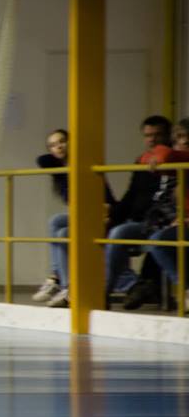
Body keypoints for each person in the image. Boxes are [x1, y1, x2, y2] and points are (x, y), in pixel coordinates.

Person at [32, 129, 116, 308]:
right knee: (55, 221)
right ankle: (59, 280)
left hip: (100, 216)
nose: (58, 147)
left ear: (71, 142)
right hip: (81, 216)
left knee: (63, 233)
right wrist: (61, 156)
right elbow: (42, 160)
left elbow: (107, 199)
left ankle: (68, 288)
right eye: (52, 145)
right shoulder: (61, 170)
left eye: (62, 141)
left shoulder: (85, 164)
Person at [105, 115, 172, 309]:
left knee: (119, 233)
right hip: (138, 220)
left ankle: (105, 291)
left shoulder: (174, 161)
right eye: (148, 135)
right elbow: (131, 195)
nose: (152, 139)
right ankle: (73, 286)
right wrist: (111, 217)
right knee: (96, 230)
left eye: (157, 135)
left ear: (168, 135)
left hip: (159, 221)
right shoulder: (141, 161)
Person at [147, 118, 189, 301]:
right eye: (180, 137)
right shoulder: (180, 167)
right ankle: (186, 291)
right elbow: (145, 158)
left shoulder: (181, 160)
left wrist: (160, 154)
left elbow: (165, 156)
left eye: (188, 137)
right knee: (159, 239)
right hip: (182, 221)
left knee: (159, 240)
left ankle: (185, 291)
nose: (184, 141)